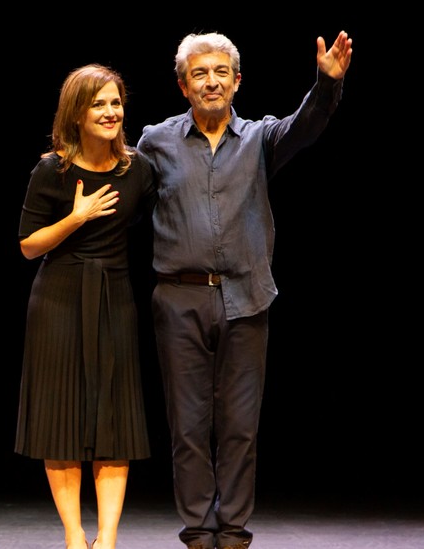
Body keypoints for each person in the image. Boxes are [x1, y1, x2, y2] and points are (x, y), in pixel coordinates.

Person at [135, 30, 353, 549]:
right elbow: (124, 191)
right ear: (183, 86)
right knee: (188, 424)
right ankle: (198, 529)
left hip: (246, 296)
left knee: (240, 424)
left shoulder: (260, 138)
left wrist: (326, 84)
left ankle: (232, 529)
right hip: (179, 298)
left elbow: (305, 126)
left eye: (220, 73)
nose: (211, 82)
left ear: (237, 81)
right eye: (199, 74)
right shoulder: (156, 141)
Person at [15, 63, 156, 549]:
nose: (111, 112)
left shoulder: (137, 169)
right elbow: (28, 245)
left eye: (116, 103)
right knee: (62, 418)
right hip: (58, 297)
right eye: (99, 104)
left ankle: (108, 538)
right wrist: (76, 218)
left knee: (115, 417)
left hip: (115, 295)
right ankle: (76, 537)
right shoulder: (51, 170)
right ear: (77, 113)